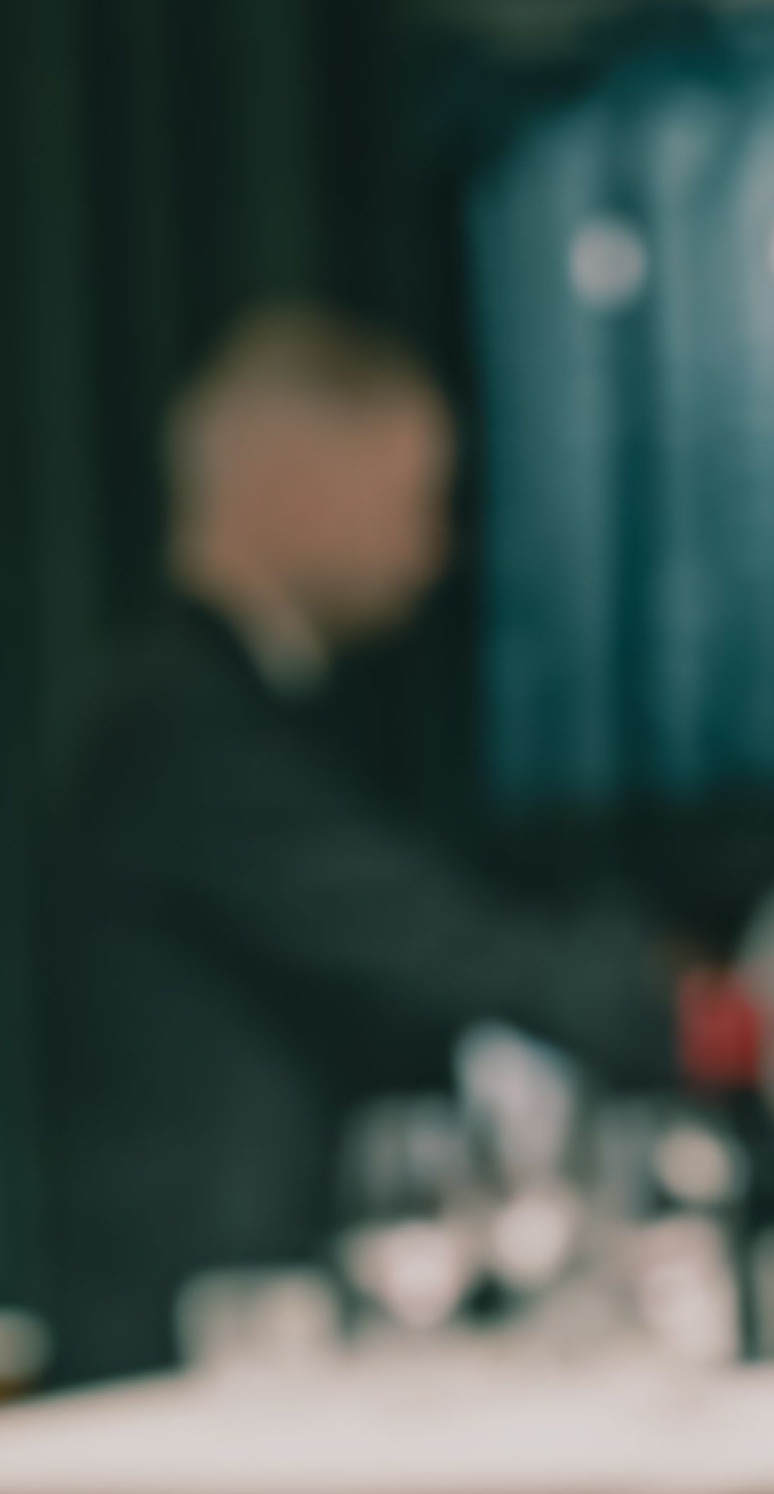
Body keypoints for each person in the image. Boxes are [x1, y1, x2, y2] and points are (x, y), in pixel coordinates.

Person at [34, 309, 696, 1380]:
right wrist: (707, 1023)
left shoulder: (248, 710)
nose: (436, 552)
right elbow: (432, 943)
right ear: (297, 487)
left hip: (260, 1336)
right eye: (415, 502)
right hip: (185, 1351)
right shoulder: (173, 727)